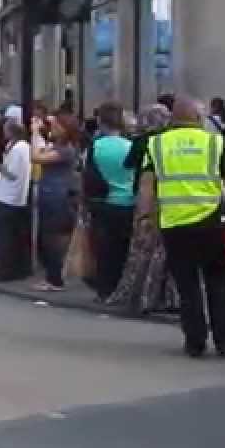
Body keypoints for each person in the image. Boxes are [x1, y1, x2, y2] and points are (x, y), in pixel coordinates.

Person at [138, 96, 225, 359]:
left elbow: (146, 185)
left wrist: (146, 219)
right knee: (217, 283)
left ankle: (195, 342)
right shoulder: (215, 142)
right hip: (211, 223)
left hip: (175, 224)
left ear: (173, 118)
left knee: (187, 286)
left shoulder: (157, 144)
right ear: (198, 119)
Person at [105, 104, 179, 315]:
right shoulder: (170, 139)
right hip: (171, 196)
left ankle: (143, 294)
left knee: (144, 248)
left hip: (146, 196)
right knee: (167, 251)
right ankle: (172, 296)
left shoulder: (142, 141)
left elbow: (129, 164)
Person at [84, 102, 136, 300]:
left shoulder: (96, 146)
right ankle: (122, 289)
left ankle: (105, 290)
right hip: (129, 201)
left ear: (100, 121)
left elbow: (89, 176)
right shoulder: (130, 145)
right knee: (124, 250)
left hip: (104, 203)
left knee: (105, 250)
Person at [32, 118, 78, 291]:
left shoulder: (66, 150)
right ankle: (50, 275)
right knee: (45, 237)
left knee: (53, 238)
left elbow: (36, 157)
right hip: (49, 194)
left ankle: (55, 279)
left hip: (58, 197)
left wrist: (35, 131)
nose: (53, 128)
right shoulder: (56, 146)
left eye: (57, 126)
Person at [0, 120, 32, 282]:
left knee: (2, 236)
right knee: (16, 236)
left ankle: (3, 269)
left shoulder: (17, 150)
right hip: (19, 198)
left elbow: (12, 174)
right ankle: (18, 268)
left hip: (7, 197)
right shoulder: (24, 147)